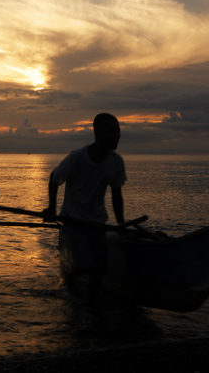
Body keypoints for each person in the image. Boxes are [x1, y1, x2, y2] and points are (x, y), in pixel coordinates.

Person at [42, 113, 126, 307]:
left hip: (97, 223)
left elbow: (117, 195)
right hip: (73, 220)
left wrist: (121, 225)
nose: (117, 136)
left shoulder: (116, 162)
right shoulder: (77, 158)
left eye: (118, 132)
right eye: (112, 132)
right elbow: (55, 178)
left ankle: (90, 305)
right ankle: (71, 280)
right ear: (98, 133)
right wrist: (52, 208)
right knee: (84, 265)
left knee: (100, 268)